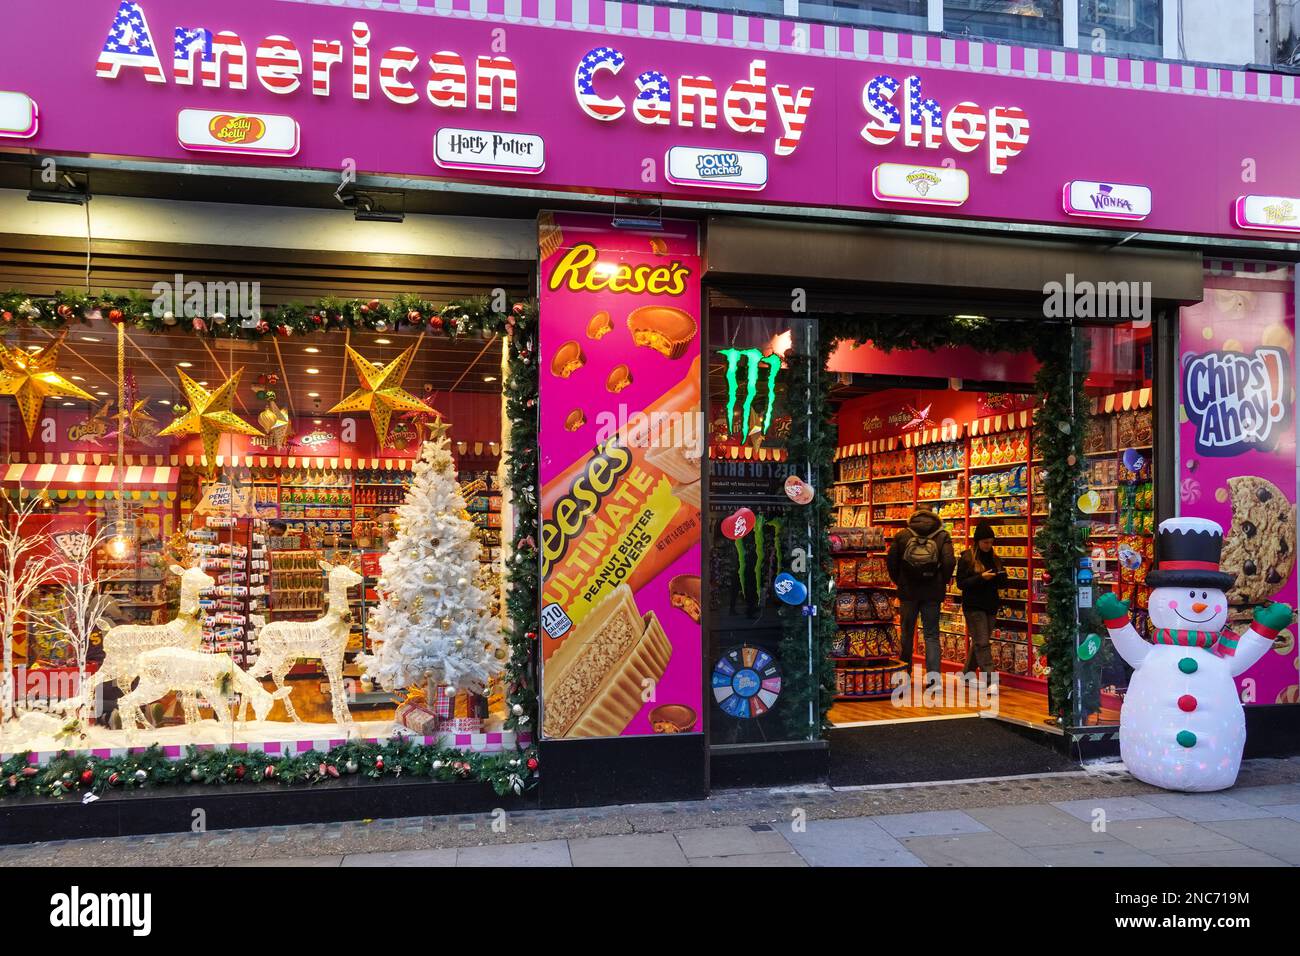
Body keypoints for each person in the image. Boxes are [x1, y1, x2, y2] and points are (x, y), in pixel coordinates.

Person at [886, 507, 956, 683]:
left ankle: (904, 674)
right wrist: (941, 580)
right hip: (932, 592)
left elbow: (891, 562)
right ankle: (933, 679)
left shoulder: (903, 535)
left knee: (906, 633)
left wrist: (900, 580)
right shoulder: (942, 535)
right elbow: (949, 561)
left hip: (908, 591)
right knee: (931, 634)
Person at [956, 519, 1007, 681]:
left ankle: (967, 675)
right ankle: (990, 679)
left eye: (991, 542)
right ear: (977, 541)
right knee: (983, 642)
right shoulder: (966, 558)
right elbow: (961, 584)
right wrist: (981, 578)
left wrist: (1001, 577)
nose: (988, 545)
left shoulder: (995, 559)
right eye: (985, 542)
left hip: (990, 605)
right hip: (973, 606)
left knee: (979, 641)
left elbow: (1002, 584)